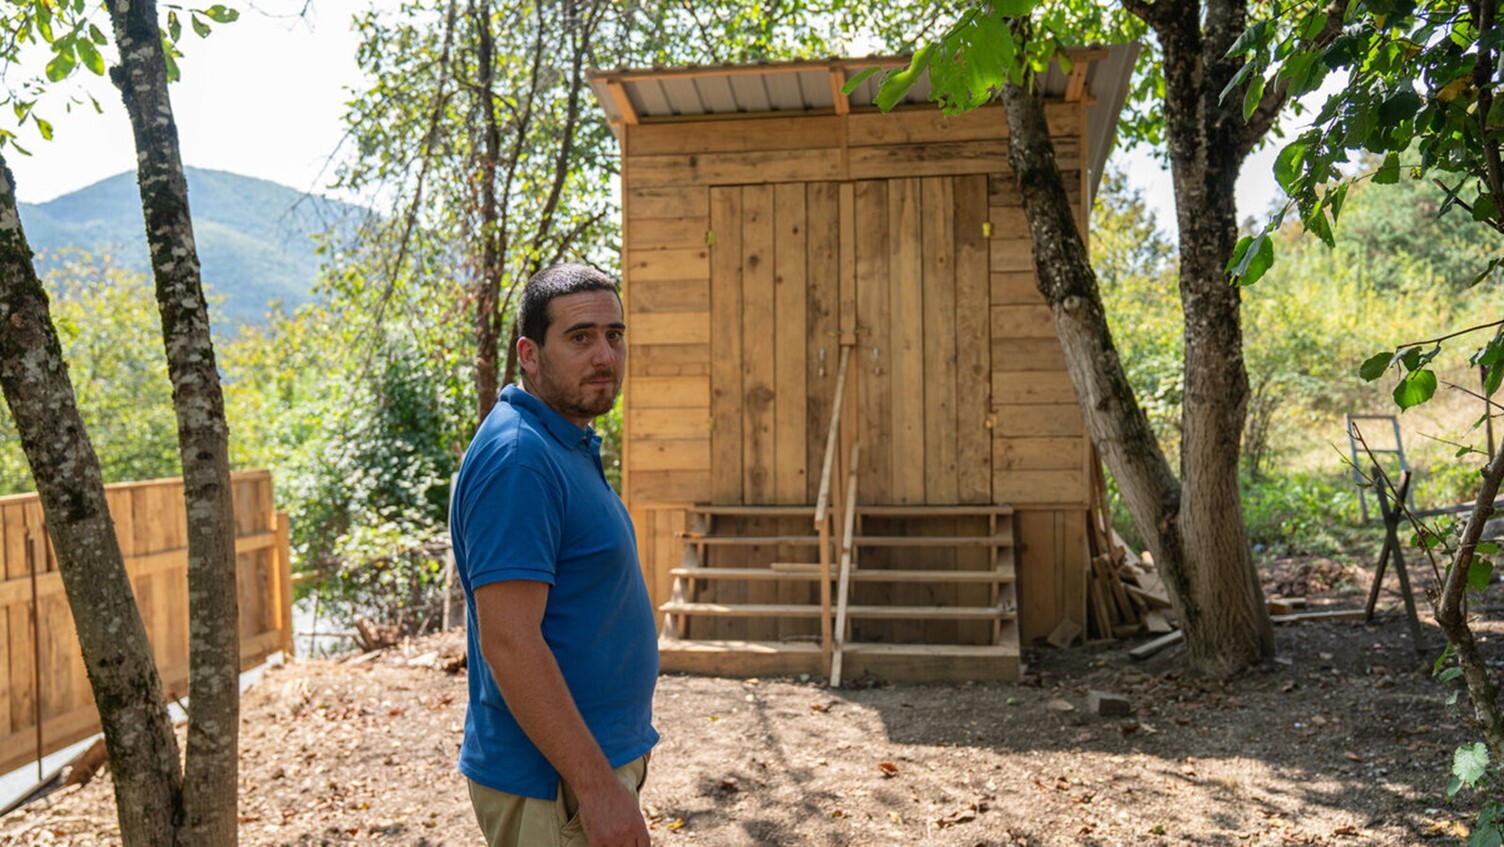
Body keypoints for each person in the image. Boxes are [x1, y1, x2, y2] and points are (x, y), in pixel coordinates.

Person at [450, 263, 658, 847]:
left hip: (581, 770)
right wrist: (596, 790)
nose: (605, 356)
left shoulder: (562, 440)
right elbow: (511, 643)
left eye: (614, 335)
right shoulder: (520, 459)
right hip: (556, 783)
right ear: (530, 353)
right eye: (580, 337)